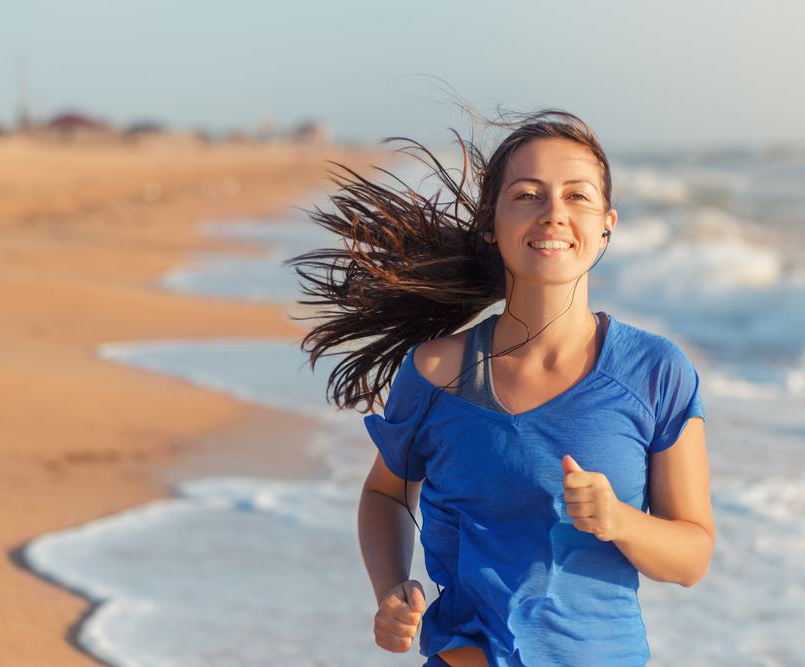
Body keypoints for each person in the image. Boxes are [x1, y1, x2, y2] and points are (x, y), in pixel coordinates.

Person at [290, 111, 714, 667]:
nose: (554, 214)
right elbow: (385, 494)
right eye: (527, 195)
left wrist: (620, 521)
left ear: (607, 223)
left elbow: (691, 557)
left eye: (577, 196)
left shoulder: (656, 371)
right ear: (492, 223)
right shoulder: (436, 372)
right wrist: (390, 589)